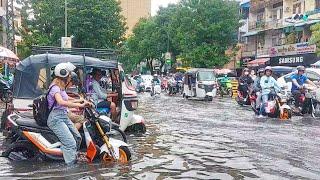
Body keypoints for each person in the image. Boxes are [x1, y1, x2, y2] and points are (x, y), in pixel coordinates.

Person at [47, 63, 90, 165]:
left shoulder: (60, 88)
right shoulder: (55, 88)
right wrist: (79, 105)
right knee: (70, 143)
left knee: (77, 137)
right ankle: (70, 168)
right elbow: (61, 102)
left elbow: (67, 98)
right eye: (69, 75)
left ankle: (71, 155)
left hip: (63, 116)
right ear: (63, 75)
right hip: (56, 119)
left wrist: (80, 100)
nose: (70, 77)